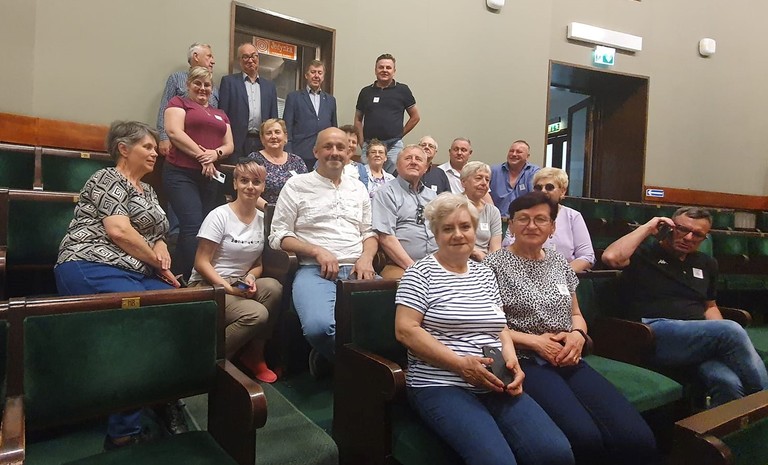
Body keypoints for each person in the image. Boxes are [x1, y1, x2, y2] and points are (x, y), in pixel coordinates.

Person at [395, 192, 574, 465]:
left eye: (465, 226)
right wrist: (460, 365)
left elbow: (499, 326)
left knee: (556, 453)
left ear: (474, 230)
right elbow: (406, 330)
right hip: (441, 384)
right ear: (435, 233)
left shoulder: (484, 273)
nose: (458, 234)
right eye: (448, 228)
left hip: (494, 380)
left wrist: (512, 363)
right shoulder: (419, 273)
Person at [484, 191, 658, 465]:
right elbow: (488, 324)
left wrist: (578, 335)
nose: (532, 225)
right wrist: (536, 342)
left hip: (569, 355)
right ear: (511, 225)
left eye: (541, 219)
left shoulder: (558, 262)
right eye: (523, 219)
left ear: (553, 227)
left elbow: (576, 313)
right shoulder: (492, 265)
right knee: (583, 436)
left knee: (636, 436)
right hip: (524, 359)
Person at [55, 121, 184, 449]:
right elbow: (120, 232)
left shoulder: (149, 190)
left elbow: (158, 233)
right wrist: (158, 264)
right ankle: (123, 434)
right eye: (147, 147)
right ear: (123, 149)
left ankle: (163, 396)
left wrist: (162, 249)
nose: (155, 153)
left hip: (139, 271)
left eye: (155, 147)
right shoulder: (106, 178)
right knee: (137, 324)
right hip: (91, 263)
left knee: (186, 309)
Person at [602, 207, 768, 407]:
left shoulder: (707, 263)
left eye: (697, 234)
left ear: (705, 238)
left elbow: (710, 307)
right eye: (682, 229)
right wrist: (648, 227)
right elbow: (611, 257)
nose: (688, 237)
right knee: (730, 329)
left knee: (728, 382)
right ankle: (764, 405)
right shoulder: (645, 253)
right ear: (670, 227)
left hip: (698, 337)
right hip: (653, 332)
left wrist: (716, 335)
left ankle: (727, 426)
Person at [269, 127, 378, 375]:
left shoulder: (358, 188)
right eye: (328, 146)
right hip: (314, 271)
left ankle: (331, 359)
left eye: (340, 147)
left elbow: (369, 233)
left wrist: (366, 258)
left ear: (349, 153)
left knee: (393, 320)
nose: (334, 152)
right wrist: (316, 250)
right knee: (319, 328)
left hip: (357, 269)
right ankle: (368, 375)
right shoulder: (297, 185)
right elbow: (278, 236)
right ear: (315, 151)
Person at [190, 158, 283, 383]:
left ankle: (254, 355)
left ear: (263, 187)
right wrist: (229, 289)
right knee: (256, 313)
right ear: (235, 184)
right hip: (208, 284)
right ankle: (209, 360)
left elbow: (257, 263)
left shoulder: (263, 220)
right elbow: (201, 262)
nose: (250, 186)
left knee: (274, 287)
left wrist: (250, 277)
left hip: (239, 281)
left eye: (256, 182)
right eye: (244, 181)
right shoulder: (219, 215)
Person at [163, 66, 234, 280]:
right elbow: (174, 132)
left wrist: (215, 154)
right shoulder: (179, 103)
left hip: (210, 177)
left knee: (207, 228)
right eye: (197, 83)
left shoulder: (220, 114)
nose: (203, 88)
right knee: (192, 225)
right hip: (180, 173)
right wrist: (203, 156)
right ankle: (189, 279)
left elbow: (229, 145)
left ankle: (188, 275)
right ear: (188, 85)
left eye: (207, 85)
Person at [502, 167, 594, 271]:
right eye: (538, 187)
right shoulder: (522, 213)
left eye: (549, 187)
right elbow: (508, 246)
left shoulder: (573, 216)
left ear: (562, 191)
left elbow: (586, 256)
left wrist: (561, 274)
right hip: (521, 272)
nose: (543, 191)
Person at [372, 145, 437, 279]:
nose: (413, 162)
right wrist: (415, 270)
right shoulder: (386, 193)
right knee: (414, 285)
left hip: (436, 263)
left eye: (418, 159)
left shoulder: (433, 196)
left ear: (426, 167)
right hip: (399, 265)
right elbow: (386, 237)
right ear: (397, 165)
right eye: (408, 158)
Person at [354, 53, 420, 173]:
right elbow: (358, 119)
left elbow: (415, 117)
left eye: (388, 68)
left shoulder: (403, 90)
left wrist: (400, 134)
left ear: (394, 71)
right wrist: (361, 142)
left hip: (393, 146)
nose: (384, 70)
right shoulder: (365, 92)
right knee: (366, 177)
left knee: (392, 177)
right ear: (375, 70)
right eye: (381, 67)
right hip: (369, 145)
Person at [156, 43, 219, 157]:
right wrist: (164, 137)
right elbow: (164, 109)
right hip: (179, 145)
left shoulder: (214, 87)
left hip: (207, 147)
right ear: (196, 56)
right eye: (209, 56)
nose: (213, 61)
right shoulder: (176, 78)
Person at [219, 42, 279, 158]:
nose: (250, 60)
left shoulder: (270, 86)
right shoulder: (229, 82)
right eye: (245, 57)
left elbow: (273, 119)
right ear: (239, 60)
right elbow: (223, 115)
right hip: (236, 142)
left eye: (253, 56)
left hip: (262, 143)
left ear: (258, 58)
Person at [283, 59, 337, 171]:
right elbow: (287, 127)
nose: (316, 76)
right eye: (313, 72)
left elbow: (334, 128)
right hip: (300, 152)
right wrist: (289, 153)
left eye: (319, 73)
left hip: (324, 154)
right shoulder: (294, 97)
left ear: (323, 77)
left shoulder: (331, 100)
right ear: (306, 75)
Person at [249, 118, 307, 205]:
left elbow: (306, 190)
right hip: (265, 210)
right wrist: (270, 209)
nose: (273, 136)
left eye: (277, 132)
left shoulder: (297, 161)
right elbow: (249, 192)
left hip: (294, 209)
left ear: (285, 136)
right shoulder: (254, 159)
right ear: (262, 139)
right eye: (268, 133)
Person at [461, 161, 501, 261]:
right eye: (478, 178)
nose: (484, 183)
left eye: (487, 180)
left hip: (485, 262)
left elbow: (495, 249)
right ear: (463, 182)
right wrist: (475, 252)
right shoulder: (452, 206)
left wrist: (488, 262)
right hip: (458, 259)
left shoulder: (493, 211)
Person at [490, 140, 540, 217]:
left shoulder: (534, 172)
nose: (514, 154)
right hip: (496, 219)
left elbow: (535, 197)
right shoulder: (494, 171)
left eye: (519, 152)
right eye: (511, 151)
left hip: (523, 220)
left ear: (527, 156)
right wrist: (493, 214)